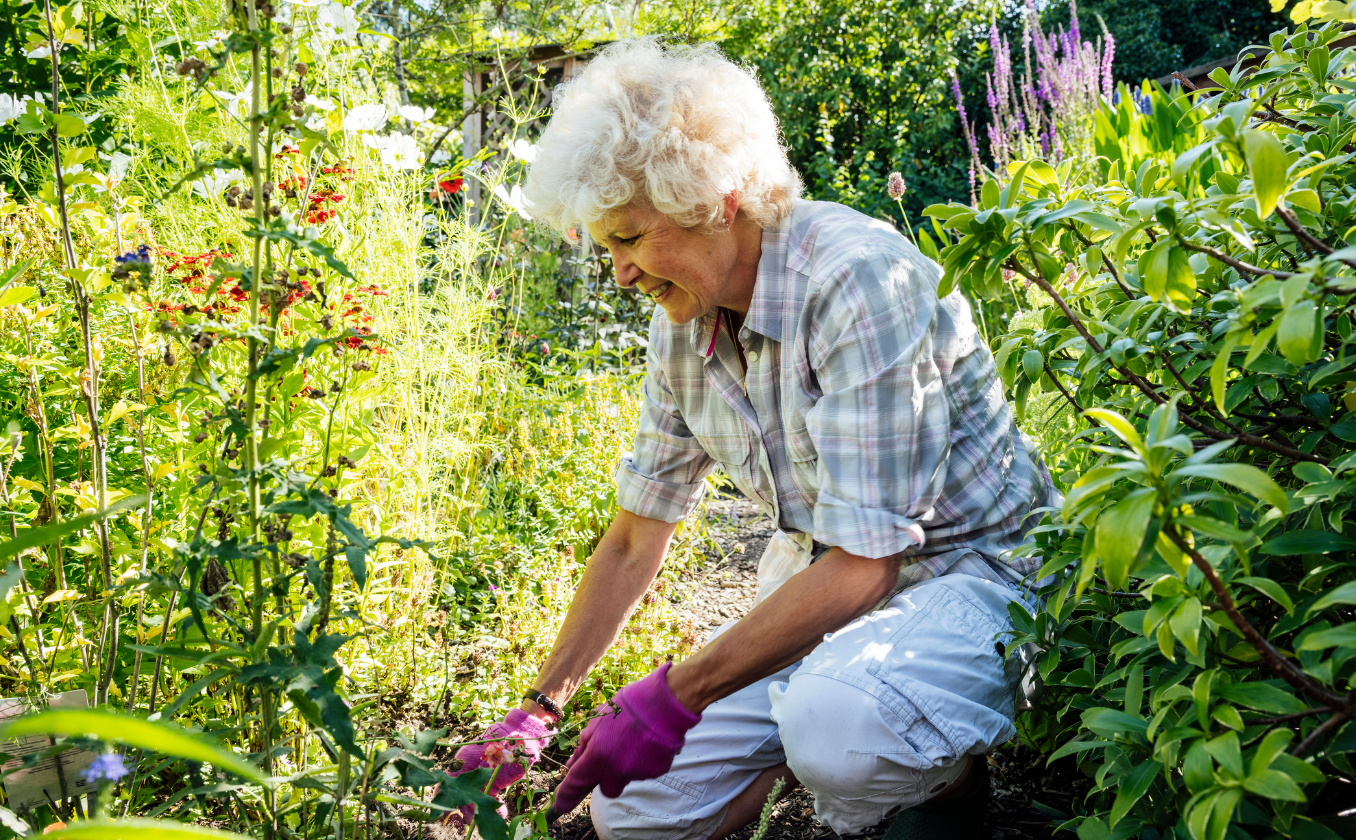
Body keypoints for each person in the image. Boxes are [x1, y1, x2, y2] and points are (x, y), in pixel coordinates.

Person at [448, 38, 1060, 840]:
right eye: (608, 249)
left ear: (715, 200)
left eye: (631, 239)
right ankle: (804, 756)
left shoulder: (855, 281)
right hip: (829, 578)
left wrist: (679, 692)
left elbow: (869, 564)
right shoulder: (684, 318)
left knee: (841, 733)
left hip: (981, 579)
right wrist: (538, 709)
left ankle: (946, 793)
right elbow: (638, 535)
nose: (621, 275)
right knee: (634, 810)